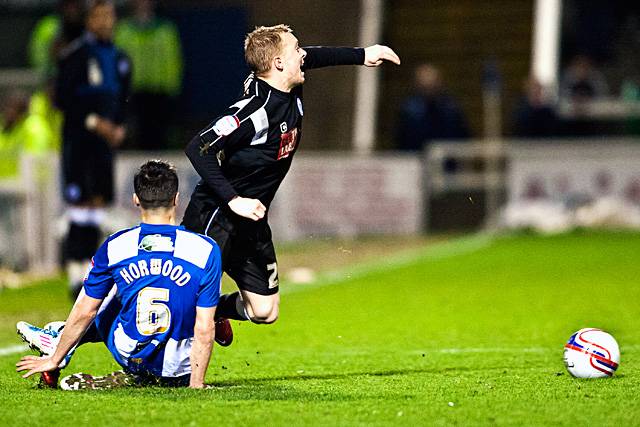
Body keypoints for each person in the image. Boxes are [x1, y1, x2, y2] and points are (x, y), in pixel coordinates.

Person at [181, 24, 400, 345]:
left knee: (264, 311)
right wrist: (232, 199)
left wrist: (364, 55)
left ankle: (218, 311)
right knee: (184, 304)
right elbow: (198, 147)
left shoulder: (289, 84)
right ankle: (140, 354)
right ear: (279, 64)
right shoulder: (255, 110)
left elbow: (314, 56)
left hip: (251, 221)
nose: (303, 55)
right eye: (296, 49)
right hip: (216, 216)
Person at [16, 160, 222, 390]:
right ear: (176, 199)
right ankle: (226, 315)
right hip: (181, 369)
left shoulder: (116, 245)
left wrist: (54, 359)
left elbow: (86, 310)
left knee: (111, 286)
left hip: (131, 354)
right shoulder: (206, 249)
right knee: (193, 296)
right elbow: (204, 327)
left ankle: (58, 337)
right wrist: (197, 384)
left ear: (136, 199)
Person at [55, 0, 132, 298]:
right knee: (80, 206)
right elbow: (62, 98)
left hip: (104, 145)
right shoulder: (75, 56)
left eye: (109, 16)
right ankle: (75, 276)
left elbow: (124, 99)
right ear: (89, 21)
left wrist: (119, 127)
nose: (105, 22)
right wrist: (93, 122)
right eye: (99, 16)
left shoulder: (120, 58)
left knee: (98, 203)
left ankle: (90, 276)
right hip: (79, 141)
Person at [115, 0, 183, 150]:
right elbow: (117, 60)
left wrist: (173, 91)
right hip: (133, 93)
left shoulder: (166, 29)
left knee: (160, 138)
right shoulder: (123, 29)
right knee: (135, 138)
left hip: (160, 93)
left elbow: (174, 61)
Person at [395, 63, 469, 152]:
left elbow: (462, 136)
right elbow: (401, 140)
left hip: (447, 158)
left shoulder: (451, 108)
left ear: (439, 83)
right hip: (415, 158)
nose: (428, 89)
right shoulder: (409, 110)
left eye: (432, 85)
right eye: (425, 86)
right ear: (417, 84)